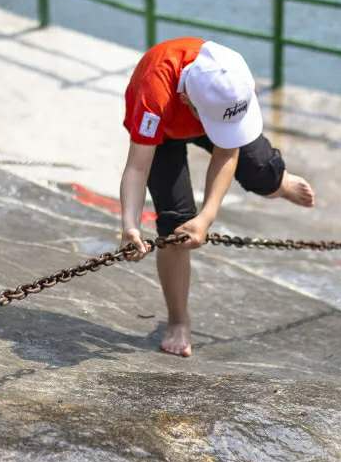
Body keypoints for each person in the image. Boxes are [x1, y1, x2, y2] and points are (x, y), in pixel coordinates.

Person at [118, 38, 315, 357]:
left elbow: (227, 151)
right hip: (165, 133)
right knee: (174, 227)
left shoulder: (230, 75)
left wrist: (207, 217)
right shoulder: (154, 95)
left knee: (260, 170)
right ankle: (179, 320)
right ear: (187, 99)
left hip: (212, 113)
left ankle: (278, 183)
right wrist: (129, 225)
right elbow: (137, 168)